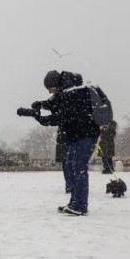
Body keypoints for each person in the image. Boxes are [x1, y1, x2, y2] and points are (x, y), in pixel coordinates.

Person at [18, 70, 100, 215]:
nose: (49, 91)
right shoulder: (65, 91)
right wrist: (40, 105)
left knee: (78, 167)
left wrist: (42, 119)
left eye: (49, 88)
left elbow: (63, 115)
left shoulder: (73, 92)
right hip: (76, 135)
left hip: (86, 134)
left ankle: (80, 205)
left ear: (56, 84)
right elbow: (55, 104)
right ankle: (74, 202)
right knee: (70, 165)